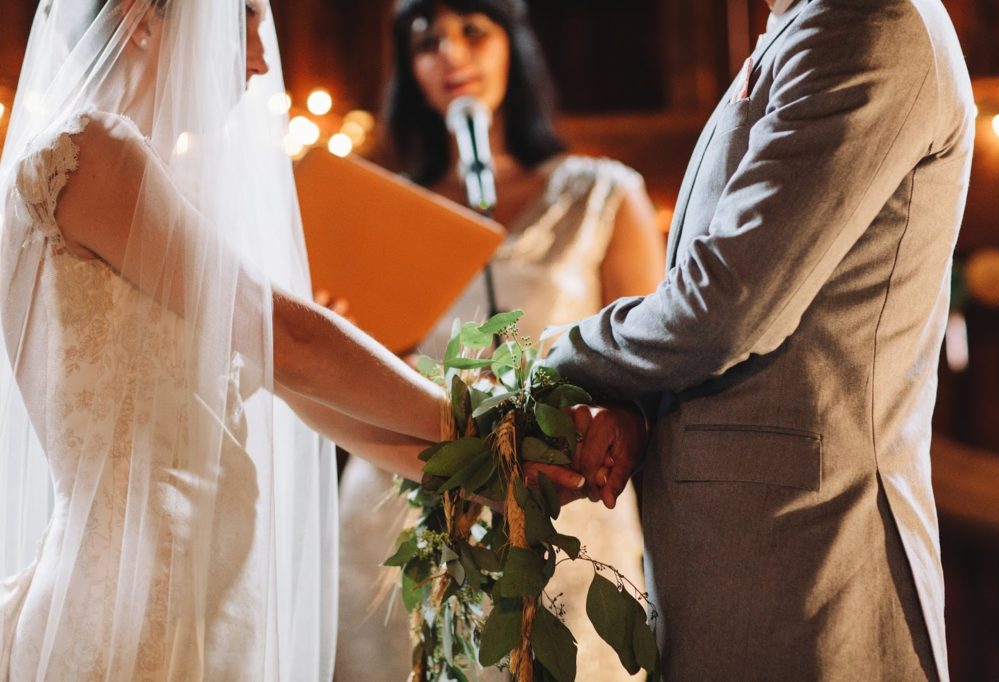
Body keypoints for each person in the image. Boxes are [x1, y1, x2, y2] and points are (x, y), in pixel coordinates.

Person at [0, 1, 583, 679]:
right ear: (140, 17)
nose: (260, 57)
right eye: (239, 19)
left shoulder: (152, 181)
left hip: (206, 600)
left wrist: (490, 470)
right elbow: (291, 337)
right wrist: (493, 428)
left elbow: (302, 389)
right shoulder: (90, 152)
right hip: (135, 605)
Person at [546, 0, 975, 679]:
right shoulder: (803, 22)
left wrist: (557, 356)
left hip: (807, 556)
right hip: (744, 557)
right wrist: (634, 412)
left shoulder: (867, 21)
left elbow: (723, 310)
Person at [334, 1, 665, 680]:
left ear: (512, 44)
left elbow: (650, 363)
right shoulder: (385, 211)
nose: (450, 55)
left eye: (472, 31)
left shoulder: (600, 194)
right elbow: (357, 372)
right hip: (411, 508)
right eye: (426, 42)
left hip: (562, 511)